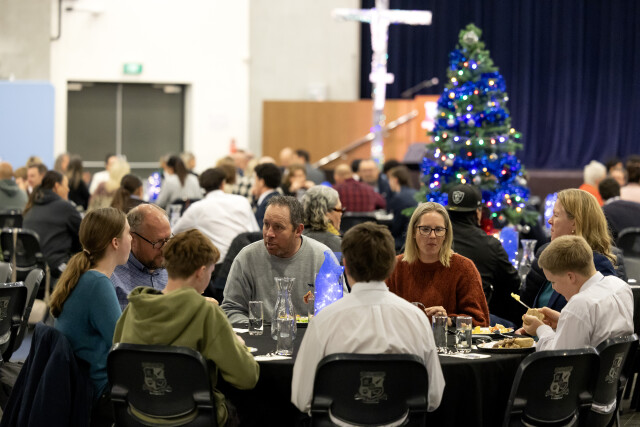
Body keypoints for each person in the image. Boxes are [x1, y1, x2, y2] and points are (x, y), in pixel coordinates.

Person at [291, 222, 445, 413]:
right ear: (392, 265)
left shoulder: (324, 321)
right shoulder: (416, 319)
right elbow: (433, 397)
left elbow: (301, 398)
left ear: (345, 265)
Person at [113, 230, 259, 427]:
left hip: (138, 416)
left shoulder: (132, 310)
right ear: (200, 272)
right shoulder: (205, 313)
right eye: (211, 272)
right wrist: (238, 345)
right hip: (195, 418)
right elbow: (247, 378)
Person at [50, 207, 131, 426]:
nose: (132, 239)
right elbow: (123, 344)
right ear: (115, 242)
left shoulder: (84, 276)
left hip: (83, 386)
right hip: (99, 392)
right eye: (129, 233)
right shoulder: (98, 283)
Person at [221, 195, 341, 325]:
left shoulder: (323, 258)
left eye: (278, 227)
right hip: (259, 334)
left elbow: (337, 310)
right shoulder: (247, 257)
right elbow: (231, 309)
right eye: (266, 224)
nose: (269, 233)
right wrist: (259, 329)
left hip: (310, 334)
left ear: (298, 230)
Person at [519, 188, 623, 314]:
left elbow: (599, 318)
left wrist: (549, 324)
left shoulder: (598, 264)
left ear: (575, 222)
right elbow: (524, 304)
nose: (550, 221)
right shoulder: (546, 253)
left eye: (556, 215)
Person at [386, 202, 490, 326]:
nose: (432, 236)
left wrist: (448, 320)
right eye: (425, 229)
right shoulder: (395, 267)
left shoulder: (464, 268)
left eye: (439, 230)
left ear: (446, 234)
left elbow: (481, 321)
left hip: (448, 338)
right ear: (413, 232)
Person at [522, 235, 633, 351]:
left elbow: (559, 356)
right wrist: (563, 321)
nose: (554, 288)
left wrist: (540, 329)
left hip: (592, 363)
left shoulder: (580, 304)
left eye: (553, 282)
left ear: (570, 277)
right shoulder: (620, 286)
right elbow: (597, 330)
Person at [446, 184, 521, 324]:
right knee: (512, 326)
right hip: (471, 321)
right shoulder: (490, 245)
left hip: (435, 316)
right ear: (478, 212)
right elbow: (513, 283)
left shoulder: (433, 238)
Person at [172, 167, 259, 263]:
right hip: (248, 260)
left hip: (219, 264)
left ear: (202, 187)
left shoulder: (197, 208)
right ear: (223, 183)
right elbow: (255, 232)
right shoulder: (242, 201)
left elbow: (174, 233)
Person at [110, 204, 170, 310]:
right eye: (158, 242)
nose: (165, 249)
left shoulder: (175, 270)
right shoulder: (112, 277)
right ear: (132, 239)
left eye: (168, 239)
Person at [23, 170, 82, 278]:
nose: (68, 189)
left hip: (30, 272)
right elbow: (84, 237)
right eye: (66, 185)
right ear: (56, 186)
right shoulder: (66, 208)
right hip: (55, 269)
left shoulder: (31, 208)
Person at [301, 185, 343, 254]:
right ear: (326, 212)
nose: (341, 214)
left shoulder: (295, 240)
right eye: (339, 209)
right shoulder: (336, 244)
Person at [386, 165, 418, 252]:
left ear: (395, 180)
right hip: (414, 238)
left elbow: (397, 227)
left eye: (389, 179)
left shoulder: (398, 198)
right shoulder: (415, 193)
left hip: (402, 241)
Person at [600, 177, 640, 242]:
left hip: (614, 247)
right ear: (619, 191)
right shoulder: (637, 207)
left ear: (601, 195)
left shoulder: (602, 212)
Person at [252, 162, 281, 228]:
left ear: (261, 182)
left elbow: (260, 229)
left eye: (255, 180)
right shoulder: (277, 197)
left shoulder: (267, 204)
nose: (254, 184)